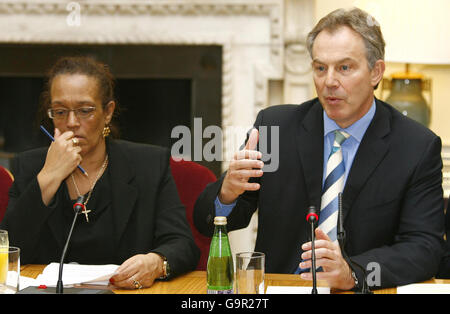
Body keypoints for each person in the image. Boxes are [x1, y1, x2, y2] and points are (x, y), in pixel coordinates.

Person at [194, 7, 445, 290]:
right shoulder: (275, 127)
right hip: (281, 287)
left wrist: (353, 272)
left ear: (376, 72)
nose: (329, 82)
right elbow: (207, 223)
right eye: (320, 68)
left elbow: (425, 248)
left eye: (344, 68)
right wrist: (227, 192)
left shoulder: (415, 146)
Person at [0, 56, 199, 289]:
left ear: (107, 112)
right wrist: (50, 176)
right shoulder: (31, 166)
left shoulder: (148, 165)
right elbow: (10, 250)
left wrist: (155, 263)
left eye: (85, 111)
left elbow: (183, 243)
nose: (72, 122)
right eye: (60, 111)